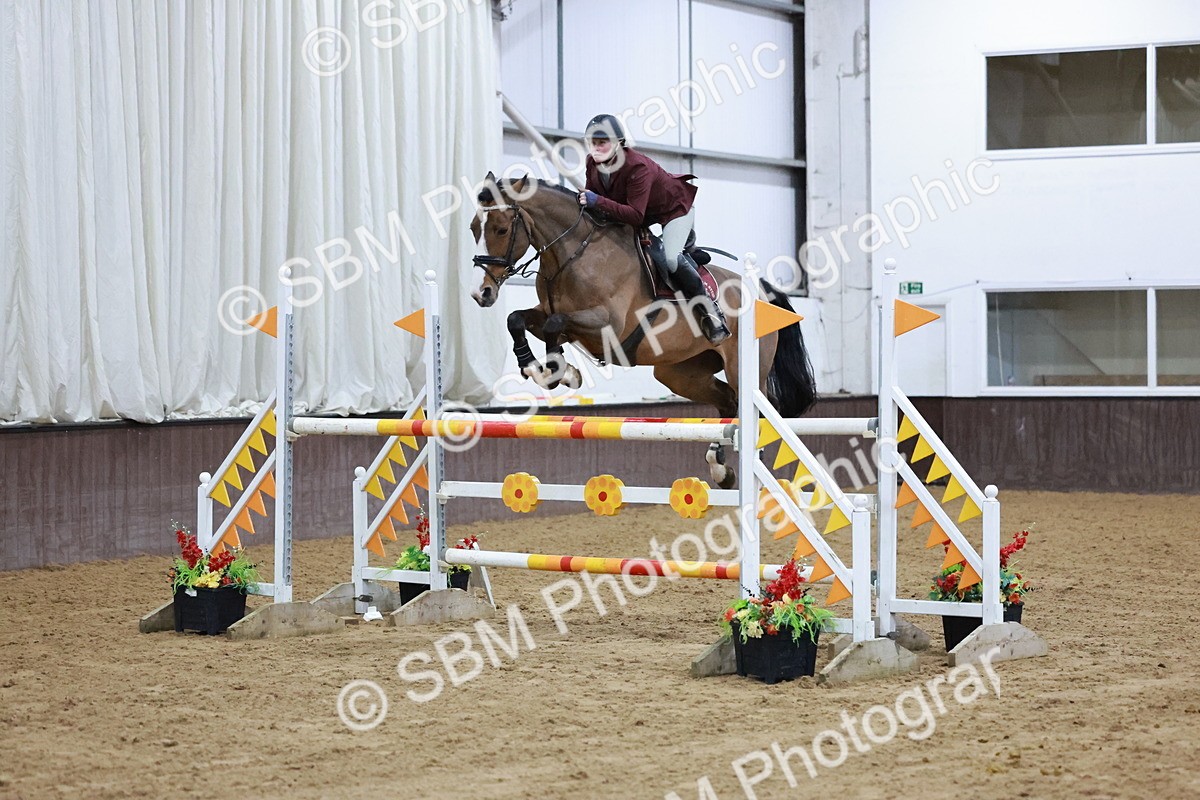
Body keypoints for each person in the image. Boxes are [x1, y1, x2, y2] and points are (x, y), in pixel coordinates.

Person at [577, 114, 730, 345]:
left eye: (602, 143)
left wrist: (596, 201)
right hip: (643, 215)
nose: (596, 148)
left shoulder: (638, 167)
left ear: (618, 143)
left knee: (670, 259)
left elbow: (634, 215)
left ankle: (710, 310)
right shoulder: (592, 163)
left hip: (674, 211)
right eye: (593, 143)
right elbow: (594, 205)